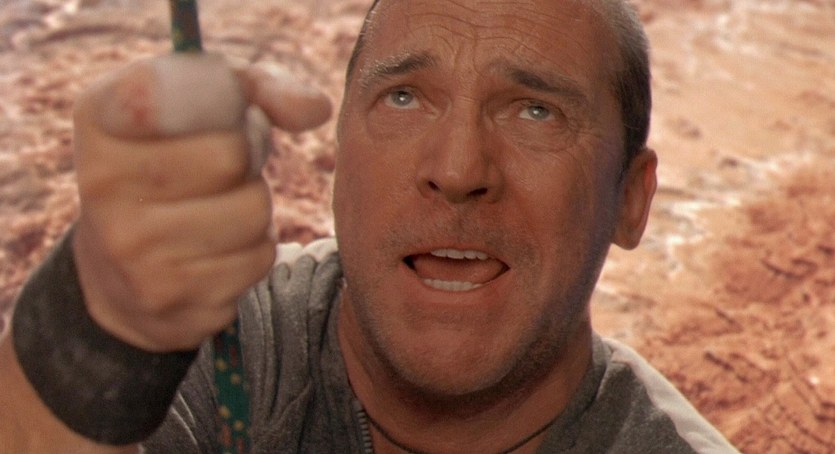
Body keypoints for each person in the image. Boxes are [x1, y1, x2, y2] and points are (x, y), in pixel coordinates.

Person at [0, 0, 740, 452]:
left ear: (630, 200)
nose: (457, 168)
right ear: (337, 160)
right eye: (404, 98)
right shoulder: (217, 350)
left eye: (535, 111)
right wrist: (100, 330)